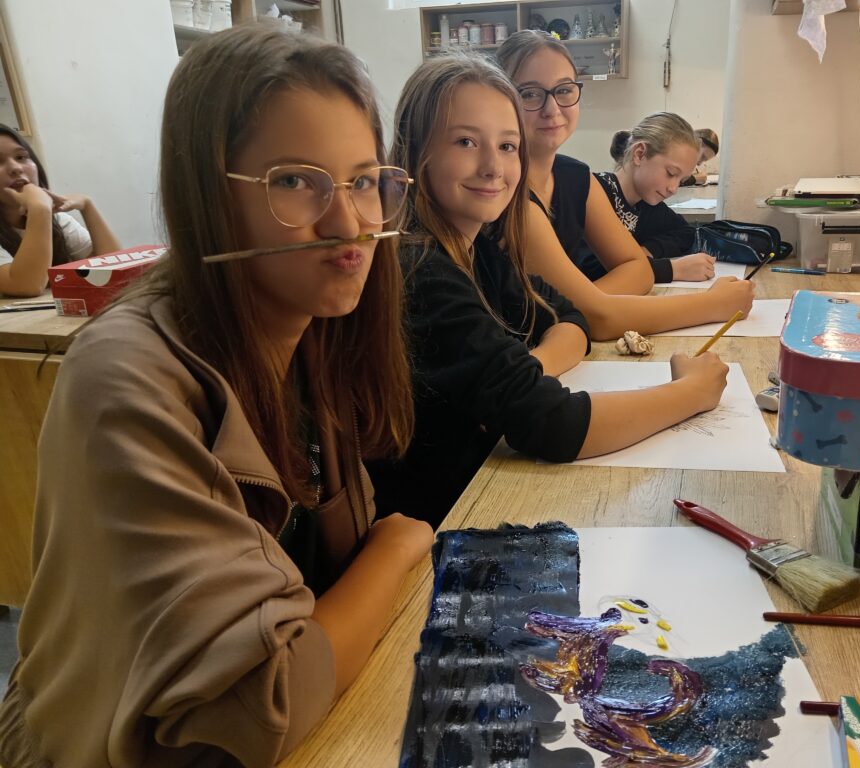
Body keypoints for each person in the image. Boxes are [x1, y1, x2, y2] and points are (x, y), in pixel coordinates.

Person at [0, 26, 432, 767]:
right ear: (207, 193)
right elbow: (265, 704)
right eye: (295, 181)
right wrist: (393, 550)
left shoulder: (308, 330)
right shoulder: (126, 379)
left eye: (363, 181)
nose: (349, 223)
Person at [370, 53, 729, 527]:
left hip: (487, 486)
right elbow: (555, 425)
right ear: (416, 151)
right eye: (465, 142)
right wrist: (690, 392)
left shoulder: (479, 250)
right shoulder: (421, 271)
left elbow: (568, 317)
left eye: (507, 146)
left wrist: (526, 373)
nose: (492, 167)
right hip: (443, 520)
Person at [495, 31, 753, 340]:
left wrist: (583, 306)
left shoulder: (577, 177)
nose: (552, 109)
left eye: (563, 90)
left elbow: (639, 269)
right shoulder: (506, 196)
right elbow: (600, 319)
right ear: (500, 100)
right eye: (529, 94)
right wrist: (715, 304)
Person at [581, 112, 716, 284]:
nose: (673, 189)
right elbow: (593, 270)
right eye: (670, 173)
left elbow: (685, 233)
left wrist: (645, 251)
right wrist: (673, 269)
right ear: (639, 154)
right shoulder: (592, 192)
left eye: (681, 180)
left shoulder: (646, 203)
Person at [0, 125, 120, 297]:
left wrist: (87, 206)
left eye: (21, 157)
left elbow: (115, 269)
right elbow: (27, 285)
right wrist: (39, 208)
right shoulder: (42, 213)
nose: (16, 168)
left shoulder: (59, 221)